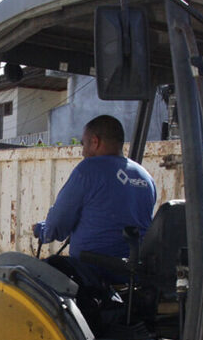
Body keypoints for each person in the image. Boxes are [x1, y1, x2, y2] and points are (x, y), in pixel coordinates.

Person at [33, 115, 156, 282]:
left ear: (95, 142)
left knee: (31, 278)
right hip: (133, 276)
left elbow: (57, 225)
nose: (83, 152)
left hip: (92, 275)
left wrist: (42, 230)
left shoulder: (88, 170)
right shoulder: (146, 177)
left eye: (83, 144)